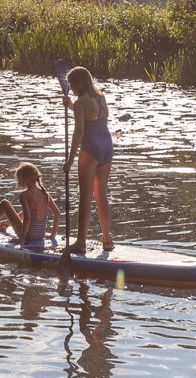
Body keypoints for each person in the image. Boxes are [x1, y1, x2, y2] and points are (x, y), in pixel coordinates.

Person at [62, 65, 114, 254]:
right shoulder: (100, 97)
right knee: (101, 195)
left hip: (91, 149)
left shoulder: (81, 103)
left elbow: (80, 131)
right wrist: (70, 105)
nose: (71, 89)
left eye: (71, 85)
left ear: (78, 84)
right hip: (107, 148)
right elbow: (90, 115)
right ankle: (107, 239)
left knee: (85, 197)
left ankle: (81, 242)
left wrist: (69, 160)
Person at [0, 162, 60, 247]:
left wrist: (22, 239)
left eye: (18, 179)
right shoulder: (45, 194)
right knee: (31, 210)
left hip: (28, 236)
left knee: (5, 203)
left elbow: (28, 219)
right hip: (40, 236)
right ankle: (6, 223)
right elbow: (57, 214)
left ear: (26, 179)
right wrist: (52, 235)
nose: (18, 183)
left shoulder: (25, 195)